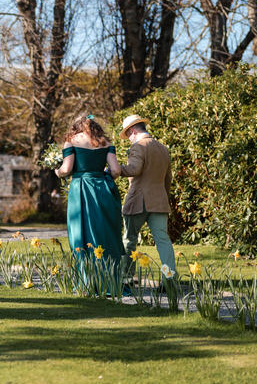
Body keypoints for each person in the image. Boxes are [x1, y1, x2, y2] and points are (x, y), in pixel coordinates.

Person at [55, 115, 125, 282]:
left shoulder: (71, 140)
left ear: (76, 126)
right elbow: (115, 170)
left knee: (81, 232)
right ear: (96, 127)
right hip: (103, 189)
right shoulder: (105, 143)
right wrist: (103, 176)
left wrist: (57, 172)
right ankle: (110, 280)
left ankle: (87, 280)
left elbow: (66, 168)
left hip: (81, 189)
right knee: (105, 231)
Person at [118, 114, 176, 279]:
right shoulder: (163, 148)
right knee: (163, 241)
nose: (128, 139)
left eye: (127, 135)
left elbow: (134, 169)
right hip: (159, 200)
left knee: (129, 240)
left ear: (133, 131)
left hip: (138, 201)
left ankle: (126, 278)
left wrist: (115, 168)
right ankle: (169, 279)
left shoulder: (138, 146)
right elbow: (168, 179)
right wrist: (163, 196)